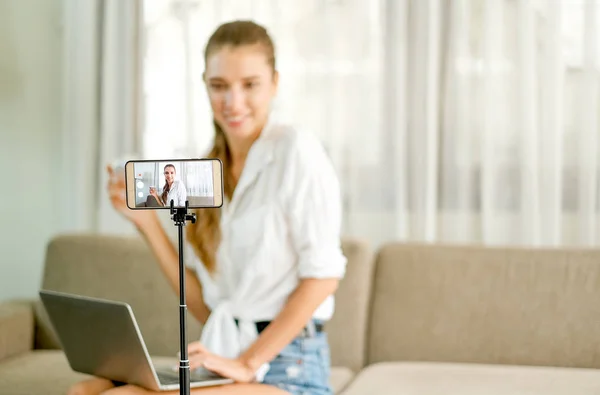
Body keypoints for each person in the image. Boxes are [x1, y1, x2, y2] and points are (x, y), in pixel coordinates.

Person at [68, 20, 346, 395]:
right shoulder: (203, 171)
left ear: (274, 82)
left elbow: (323, 277)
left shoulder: (296, 150)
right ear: (204, 85)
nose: (233, 103)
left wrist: (247, 363)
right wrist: (146, 223)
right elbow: (205, 307)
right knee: (85, 391)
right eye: (219, 86)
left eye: (250, 85)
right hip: (223, 354)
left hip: (288, 366)